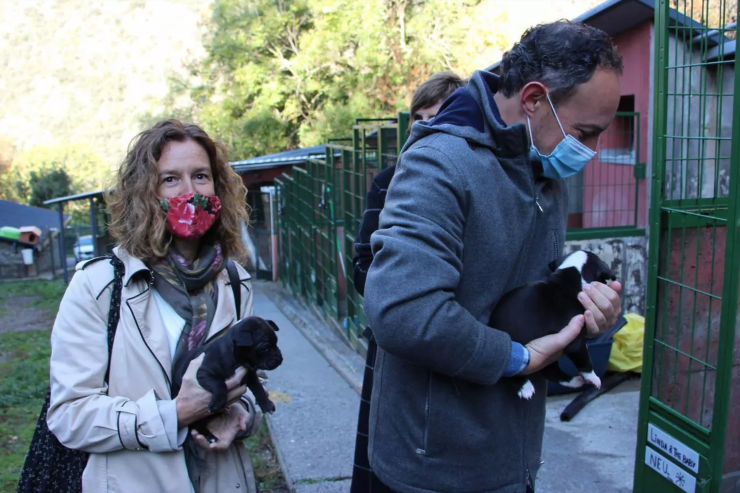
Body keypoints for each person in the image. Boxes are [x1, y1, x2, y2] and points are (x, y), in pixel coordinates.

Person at [362, 21, 625, 493]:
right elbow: (402, 310)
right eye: (586, 132)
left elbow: (524, 292)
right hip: (436, 468)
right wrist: (518, 357)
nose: (593, 150)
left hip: (510, 455)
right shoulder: (440, 162)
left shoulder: (541, 166)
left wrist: (584, 313)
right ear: (533, 100)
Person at [46, 119, 263, 492]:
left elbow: (247, 382)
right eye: (170, 179)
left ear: (218, 186)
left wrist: (240, 416)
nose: (190, 191)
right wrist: (173, 415)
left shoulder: (235, 282)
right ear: (145, 192)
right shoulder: (99, 286)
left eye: (201, 176)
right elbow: (70, 415)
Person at [350, 71, 466, 493]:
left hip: (460, 343)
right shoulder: (389, 181)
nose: (428, 127)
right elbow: (361, 265)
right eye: (420, 119)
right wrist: (399, 293)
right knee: (385, 465)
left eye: (440, 115)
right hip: (395, 346)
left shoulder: (483, 180)